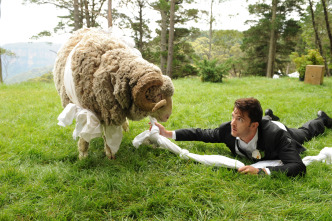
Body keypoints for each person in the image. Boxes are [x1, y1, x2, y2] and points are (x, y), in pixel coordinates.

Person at [153, 97, 332, 177]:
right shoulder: (228, 131)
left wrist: (263, 171)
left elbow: (298, 167)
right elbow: (201, 133)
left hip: (281, 131)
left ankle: (322, 120)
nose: (232, 122)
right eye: (233, 116)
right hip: (260, 123)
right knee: (261, 119)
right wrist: (168, 134)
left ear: (253, 125)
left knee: (304, 133)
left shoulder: (276, 136)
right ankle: (268, 115)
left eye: (239, 119)